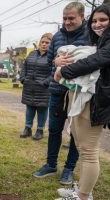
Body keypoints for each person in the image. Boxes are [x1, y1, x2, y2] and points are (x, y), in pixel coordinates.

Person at [54, 4, 110, 200]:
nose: (97, 24)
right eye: (95, 20)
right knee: (80, 144)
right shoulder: (97, 41)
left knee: (89, 151)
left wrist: (62, 72)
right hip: (81, 97)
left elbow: (96, 60)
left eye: (103, 20)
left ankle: (83, 196)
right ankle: (83, 191)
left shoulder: (106, 45)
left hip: (96, 101)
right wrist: (58, 61)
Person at [33, 2, 86, 185]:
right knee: (54, 129)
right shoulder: (56, 37)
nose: (67, 22)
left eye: (71, 18)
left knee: (76, 134)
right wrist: (56, 61)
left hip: (79, 94)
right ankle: (50, 164)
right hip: (57, 92)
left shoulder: (90, 35)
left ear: (82, 16)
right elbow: (49, 65)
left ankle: (69, 169)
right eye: (65, 18)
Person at [19, 33, 53, 140]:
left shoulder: (52, 56)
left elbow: (54, 72)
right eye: (42, 42)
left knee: (42, 109)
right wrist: (23, 78)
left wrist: (45, 82)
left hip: (43, 89)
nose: (43, 44)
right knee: (29, 108)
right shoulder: (32, 54)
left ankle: (40, 130)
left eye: (47, 42)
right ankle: (27, 129)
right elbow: (24, 67)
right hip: (29, 87)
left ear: (51, 44)